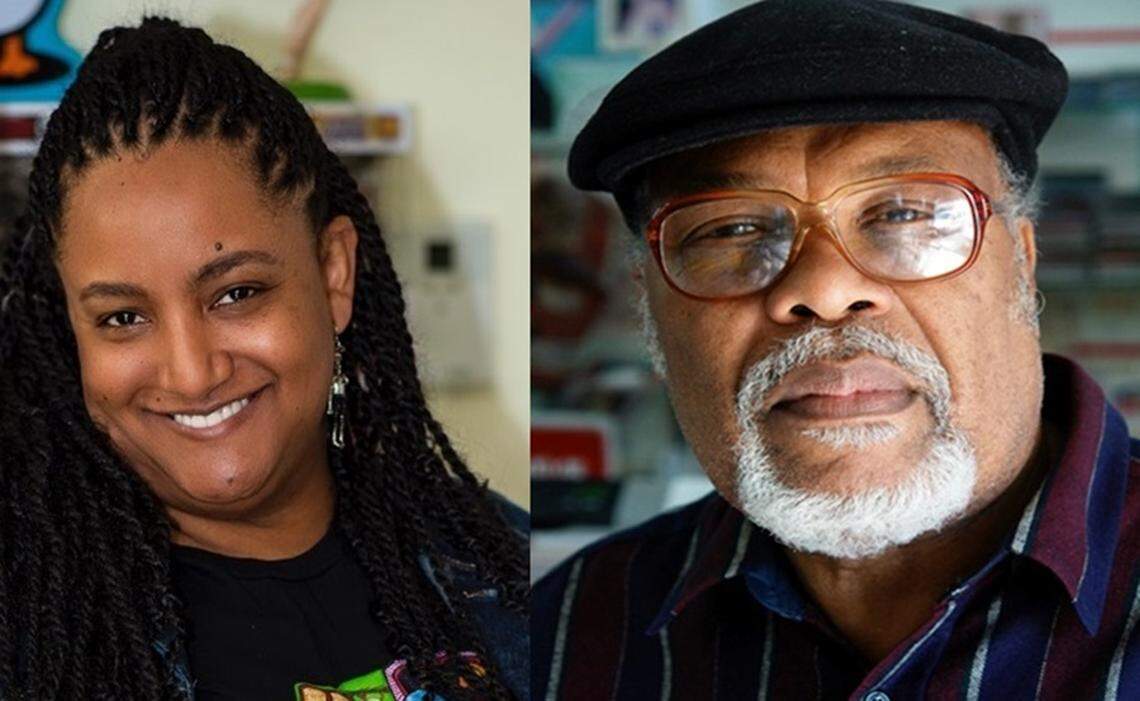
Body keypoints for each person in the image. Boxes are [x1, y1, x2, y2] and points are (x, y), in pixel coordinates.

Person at [532, 0, 1140, 698]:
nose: (824, 287)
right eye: (731, 230)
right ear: (651, 306)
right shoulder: (567, 633)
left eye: (906, 213)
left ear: (1022, 263)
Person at [0, 18, 528, 700]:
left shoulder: (506, 570)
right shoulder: (31, 626)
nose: (191, 373)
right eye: (123, 318)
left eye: (236, 293)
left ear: (333, 272)